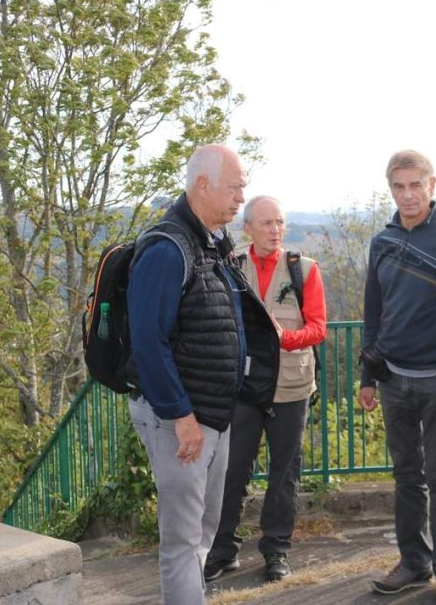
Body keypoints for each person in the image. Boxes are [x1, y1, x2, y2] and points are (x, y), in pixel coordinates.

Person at [126, 144, 280, 605]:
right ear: (202, 185)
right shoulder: (167, 249)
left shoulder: (210, 243)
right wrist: (181, 416)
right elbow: (148, 343)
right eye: (235, 188)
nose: (241, 197)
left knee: (204, 531)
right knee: (181, 542)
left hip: (212, 415)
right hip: (182, 421)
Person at [358, 150, 436, 605]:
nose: (407, 195)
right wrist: (368, 376)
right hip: (392, 378)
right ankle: (414, 562)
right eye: (399, 187)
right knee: (407, 476)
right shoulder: (382, 241)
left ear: (432, 185)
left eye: (416, 185)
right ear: (390, 189)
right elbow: (374, 313)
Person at [205, 195, 328, 583]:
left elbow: (319, 328)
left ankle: (276, 551)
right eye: (267, 223)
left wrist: (285, 337)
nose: (276, 230)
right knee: (231, 471)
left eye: (280, 223)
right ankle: (223, 550)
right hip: (244, 387)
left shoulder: (304, 270)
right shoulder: (230, 267)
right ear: (248, 229)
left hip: (291, 387)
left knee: (284, 474)